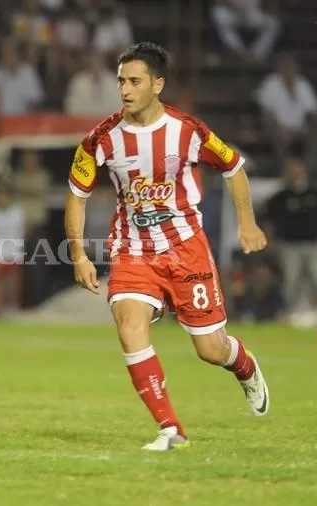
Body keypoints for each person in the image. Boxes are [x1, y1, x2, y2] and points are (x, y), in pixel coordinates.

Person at [63, 42, 270, 452]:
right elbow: (76, 194)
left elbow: (234, 166)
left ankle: (245, 367)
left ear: (158, 84)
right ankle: (171, 428)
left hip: (186, 248)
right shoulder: (100, 139)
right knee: (129, 326)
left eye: (135, 81)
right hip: (132, 251)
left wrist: (247, 223)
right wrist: (78, 253)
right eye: (121, 80)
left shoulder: (188, 131)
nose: (125, 89)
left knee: (211, 349)